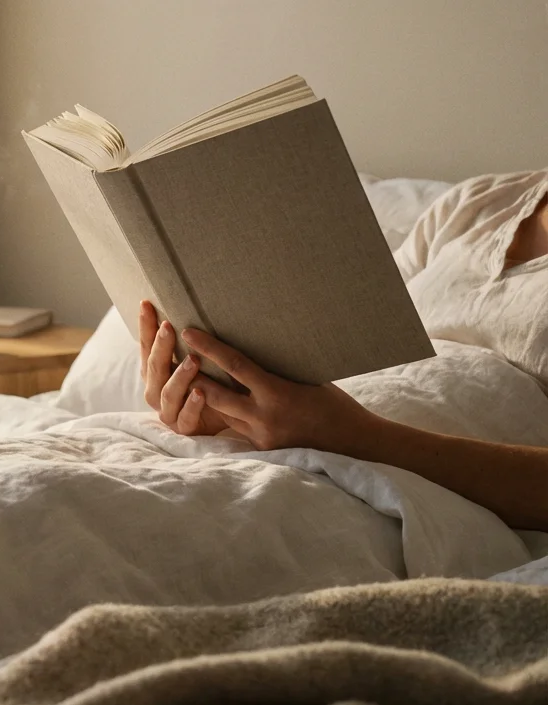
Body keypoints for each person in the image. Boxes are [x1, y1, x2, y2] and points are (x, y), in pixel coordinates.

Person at [139, 169, 548, 530]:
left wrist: (354, 438)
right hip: (266, 451)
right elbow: (360, 341)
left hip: (376, 494)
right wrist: (228, 403)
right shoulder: (479, 204)